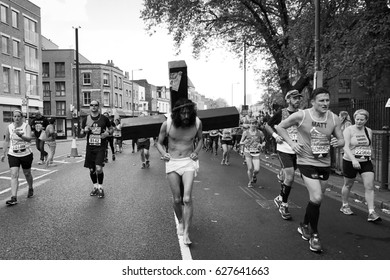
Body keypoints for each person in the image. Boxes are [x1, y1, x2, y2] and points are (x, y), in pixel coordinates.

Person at [276, 87, 344, 253]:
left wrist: (338, 143)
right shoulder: (302, 115)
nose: (325, 103)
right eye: (321, 100)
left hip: (324, 162)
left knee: (317, 200)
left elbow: (341, 139)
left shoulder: (334, 118)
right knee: (317, 196)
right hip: (306, 161)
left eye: (327, 100)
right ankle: (314, 235)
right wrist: (292, 144)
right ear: (313, 101)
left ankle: (304, 225)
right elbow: (280, 127)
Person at [156, 98, 202, 246]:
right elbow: (158, 142)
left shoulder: (197, 123)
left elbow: (200, 139)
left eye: (188, 113)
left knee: (187, 198)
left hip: (189, 162)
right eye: (183, 113)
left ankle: (187, 233)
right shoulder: (167, 124)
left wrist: (196, 151)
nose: (186, 116)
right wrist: (164, 153)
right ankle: (181, 221)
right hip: (173, 162)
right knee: (177, 199)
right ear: (177, 113)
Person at [265, 89, 303, 220]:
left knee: (288, 176)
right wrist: (275, 136)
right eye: (294, 98)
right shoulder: (281, 113)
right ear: (288, 100)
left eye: (299, 98)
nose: (297, 100)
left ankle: (280, 197)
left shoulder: (302, 114)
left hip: (298, 150)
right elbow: (267, 125)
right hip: (284, 149)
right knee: (291, 176)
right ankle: (284, 204)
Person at [340, 109, 381, 222]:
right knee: (348, 184)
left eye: (361, 120)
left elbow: (369, 145)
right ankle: (344, 204)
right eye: (357, 119)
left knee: (369, 186)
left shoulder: (369, 130)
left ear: (366, 120)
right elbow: (345, 147)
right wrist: (354, 160)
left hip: (365, 161)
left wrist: (372, 158)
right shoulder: (348, 130)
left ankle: (371, 212)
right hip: (350, 160)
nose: (359, 122)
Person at [80, 100, 113, 198]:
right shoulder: (86, 119)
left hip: (101, 147)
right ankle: (95, 187)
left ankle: (100, 188)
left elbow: (111, 129)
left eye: (95, 105)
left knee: (98, 168)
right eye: (92, 105)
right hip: (90, 147)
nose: (93, 107)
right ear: (89, 107)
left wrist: (107, 133)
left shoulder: (104, 118)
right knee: (91, 169)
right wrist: (84, 131)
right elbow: (81, 134)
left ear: (98, 107)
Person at [1, 110, 34, 205]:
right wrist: (4, 153)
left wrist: (21, 135)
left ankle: (30, 187)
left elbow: (29, 139)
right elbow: (6, 140)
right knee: (14, 174)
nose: (16, 118)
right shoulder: (9, 127)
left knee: (27, 173)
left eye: (18, 116)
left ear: (22, 117)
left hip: (26, 154)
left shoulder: (26, 126)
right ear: (13, 118)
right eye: (15, 116)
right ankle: (14, 197)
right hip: (13, 154)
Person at [240, 119, 265, 187]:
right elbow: (240, 142)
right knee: (250, 168)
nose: (253, 125)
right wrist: (244, 143)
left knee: (257, 169)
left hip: (256, 152)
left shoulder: (260, 132)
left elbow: (264, 141)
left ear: (256, 124)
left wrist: (262, 145)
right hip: (248, 151)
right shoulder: (245, 132)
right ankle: (250, 181)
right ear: (249, 124)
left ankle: (254, 175)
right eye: (252, 123)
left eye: (255, 123)